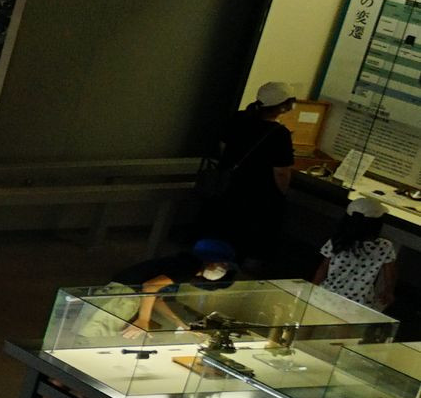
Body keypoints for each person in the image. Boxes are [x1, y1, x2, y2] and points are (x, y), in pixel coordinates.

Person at [189, 83, 301, 260]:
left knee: (219, 229)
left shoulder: (239, 118)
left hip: (226, 187)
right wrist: (281, 194)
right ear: (282, 106)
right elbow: (281, 172)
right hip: (256, 195)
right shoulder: (279, 133)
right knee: (243, 240)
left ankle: (206, 259)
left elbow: (222, 146)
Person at [115, 236, 242, 333]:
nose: (224, 269)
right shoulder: (188, 267)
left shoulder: (181, 264)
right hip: (122, 296)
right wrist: (143, 320)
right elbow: (150, 287)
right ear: (210, 260)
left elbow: (155, 298)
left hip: (122, 295)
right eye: (223, 264)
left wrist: (181, 325)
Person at [317, 206, 399, 312]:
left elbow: (323, 268)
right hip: (359, 302)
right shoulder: (384, 246)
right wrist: (388, 291)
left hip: (327, 295)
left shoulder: (338, 241)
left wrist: (312, 288)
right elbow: (390, 274)